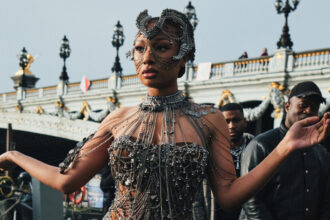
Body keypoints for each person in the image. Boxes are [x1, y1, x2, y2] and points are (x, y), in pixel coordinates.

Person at [0, 9, 329, 220]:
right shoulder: (117, 119)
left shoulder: (208, 119)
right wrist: (15, 154)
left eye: (160, 47)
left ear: (184, 59)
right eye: (140, 48)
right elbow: (66, 180)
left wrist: (285, 146)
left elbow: (229, 198)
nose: (147, 58)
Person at [240, 81, 330, 220]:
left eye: (314, 108)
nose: (308, 111)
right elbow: (250, 198)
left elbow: (326, 199)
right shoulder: (261, 144)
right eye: (303, 105)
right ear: (287, 106)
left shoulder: (321, 153)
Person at [214, 103, 254, 220]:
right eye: (227, 121)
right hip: (218, 213)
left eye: (236, 120)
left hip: (248, 213)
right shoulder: (211, 152)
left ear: (244, 122)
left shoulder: (257, 149)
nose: (231, 126)